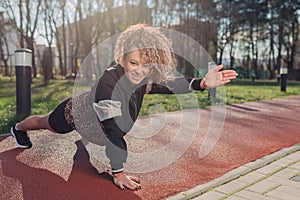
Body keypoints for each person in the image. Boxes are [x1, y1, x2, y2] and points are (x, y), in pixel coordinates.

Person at [10, 23, 238, 190]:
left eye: (146, 65)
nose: (139, 70)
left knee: (96, 135)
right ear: (122, 59)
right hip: (77, 113)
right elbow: (113, 129)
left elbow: (170, 83)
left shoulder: (145, 76)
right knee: (45, 123)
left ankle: (85, 139)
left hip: (99, 123)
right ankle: (18, 127)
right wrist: (117, 172)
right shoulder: (108, 83)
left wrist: (203, 83)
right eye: (133, 63)